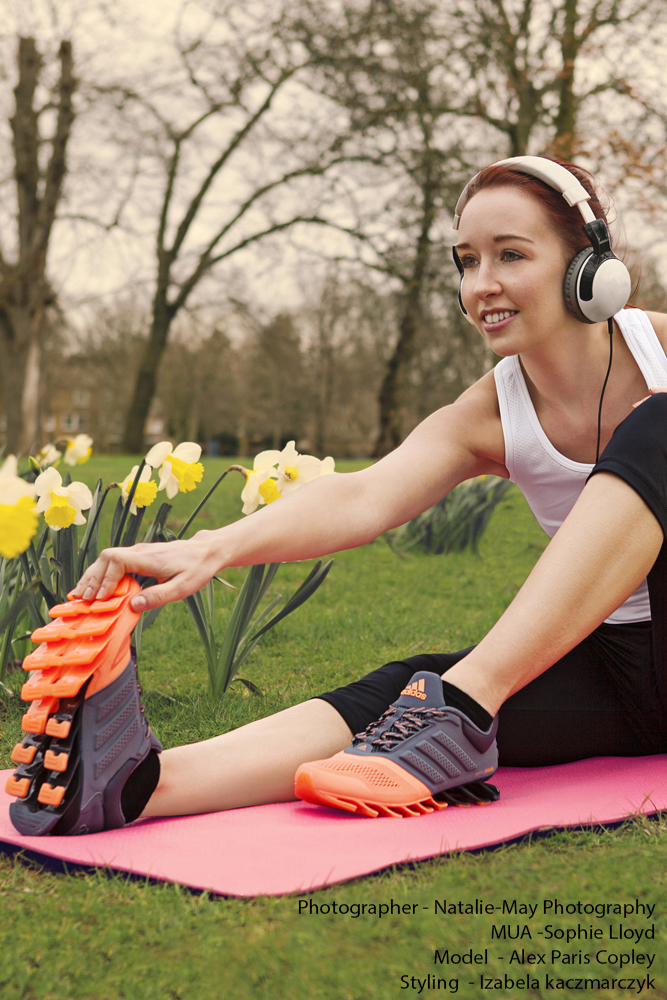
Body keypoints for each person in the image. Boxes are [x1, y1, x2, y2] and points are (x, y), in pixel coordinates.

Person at [8, 156, 667, 835]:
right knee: (407, 690)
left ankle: (463, 707)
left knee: (659, 422)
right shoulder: (488, 413)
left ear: (587, 266)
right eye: (467, 261)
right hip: (617, 674)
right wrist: (211, 547)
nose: (482, 285)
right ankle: (133, 786)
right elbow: (362, 496)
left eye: (511, 255)